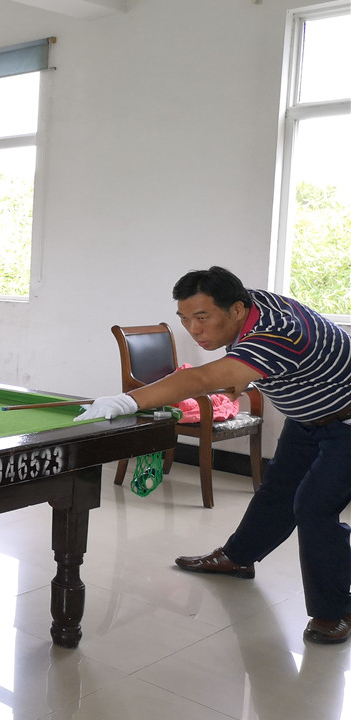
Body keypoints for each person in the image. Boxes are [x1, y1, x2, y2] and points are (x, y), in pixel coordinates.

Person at [77, 266, 351, 643]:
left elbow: (202, 380)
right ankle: (238, 558)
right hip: (308, 415)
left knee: (314, 507)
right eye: (185, 318)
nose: (194, 329)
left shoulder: (278, 333)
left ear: (236, 309)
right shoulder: (246, 305)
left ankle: (335, 610)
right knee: (277, 491)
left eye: (202, 317)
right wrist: (241, 372)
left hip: (346, 421)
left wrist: (126, 401)